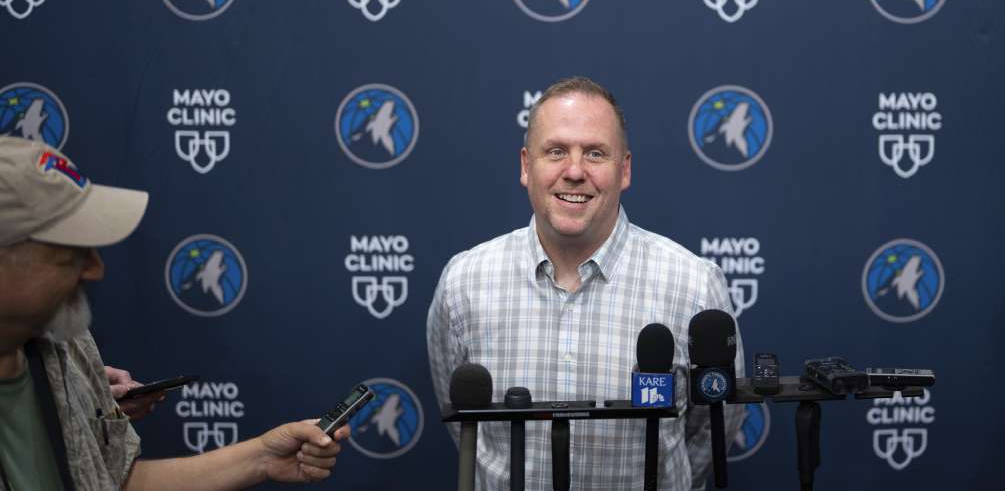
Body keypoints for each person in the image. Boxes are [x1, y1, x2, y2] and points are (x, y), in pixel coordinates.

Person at [426, 76, 744, 490]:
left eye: (595, 153)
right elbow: (466, 430)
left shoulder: (695, 286)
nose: (574, 172)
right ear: (526, 166)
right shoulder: (463, 283)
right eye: (556, 151)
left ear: (624, 169)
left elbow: (711, 430)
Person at [0, 136, 350, 491]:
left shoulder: (65, 345)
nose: (94, 268)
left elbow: (113, 482)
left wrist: (262, 456)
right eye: (66, 250)